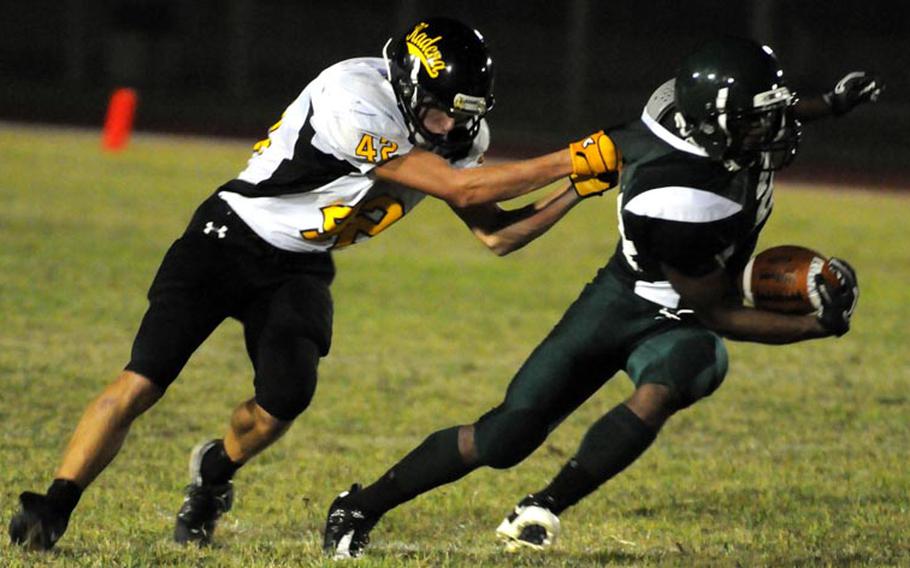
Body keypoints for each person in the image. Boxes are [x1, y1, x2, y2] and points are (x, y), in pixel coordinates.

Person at [8, 17, 621, 550]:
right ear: (407, 84)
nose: (447, 128)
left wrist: (575, 190)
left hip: (300, 263)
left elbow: (497, 236)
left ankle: (213, 475)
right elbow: (462, 188)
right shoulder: (351, 93)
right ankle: (54, 505)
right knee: (143, 379)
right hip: (229, 236)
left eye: (461, 115)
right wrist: (573, 156)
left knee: (283, 402)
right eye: (436, 109)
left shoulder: (458, 133)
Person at [322, 37, 883, 559]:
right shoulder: (676, 199)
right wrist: (818, 326)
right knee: (504, 435)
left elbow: (751, 114)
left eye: (771, 114)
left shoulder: (708, 121)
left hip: (683, 311)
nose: (774, 128)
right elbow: (719, 312)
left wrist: (825, 105)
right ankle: (359, 506)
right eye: (759, 120)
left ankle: (543, 504)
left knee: (679, 374)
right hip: (629, 301)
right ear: (716, 129)